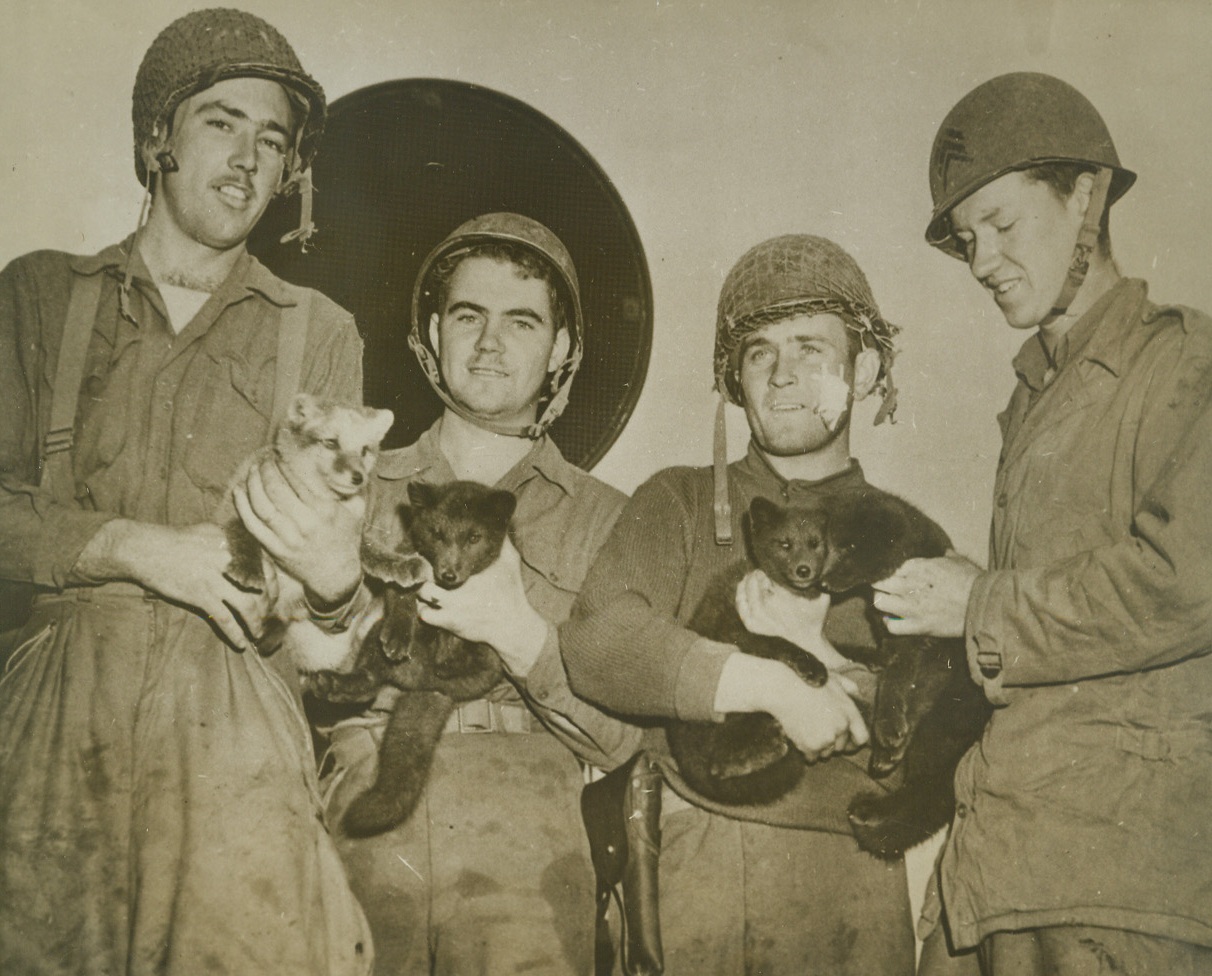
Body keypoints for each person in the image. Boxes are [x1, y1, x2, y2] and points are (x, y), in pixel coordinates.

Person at [0, 9, 375, 975]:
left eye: (273, 140)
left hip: (237, 726)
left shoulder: (320, 333)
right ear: (156, 137)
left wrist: (335, 582)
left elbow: (327, 604)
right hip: (55, 722)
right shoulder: (39, 298)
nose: (250, 158)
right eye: (221, 121)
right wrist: (131, 545)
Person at [873, 72, 1212, 975]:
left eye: (1002, 225)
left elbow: (1186, 582)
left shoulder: (1184, 366)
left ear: (1087, 196)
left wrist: (978, 604)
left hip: (1117, 884)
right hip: (996, 875)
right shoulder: (1033, 396)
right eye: (967, 240)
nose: (981, 262)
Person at [251, 212, 642, 975]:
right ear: (431, 333)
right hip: (359, 826)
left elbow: (620, 737)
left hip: (529, 850)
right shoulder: (349, 485)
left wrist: (517, 632)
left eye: (522, 321)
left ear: (561, 347)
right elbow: (264, 680)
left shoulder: (610, 520)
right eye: (469, 316)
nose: (491, 342)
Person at [561, 233, 919, 975]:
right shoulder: (680, 502)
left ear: (866, 367)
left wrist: (835, 679)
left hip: (851, 880)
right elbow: (599, 636)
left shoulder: (901, 537)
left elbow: (942, 703)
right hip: (700, 868)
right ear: (735, 379)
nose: (784, 375)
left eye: (811, 348)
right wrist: (765, 685)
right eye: (760, 352)